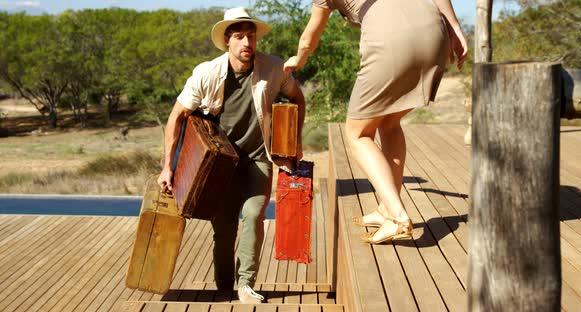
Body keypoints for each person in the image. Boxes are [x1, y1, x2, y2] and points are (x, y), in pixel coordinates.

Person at [283, 0, 468, 244]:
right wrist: (454, 27)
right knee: (389, 122)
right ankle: (386, 208)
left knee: (357, 134)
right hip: (434, 34)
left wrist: (298, 59)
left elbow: (309, 38)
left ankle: (398, 216)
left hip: (392, 41)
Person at [157, 7, 305, 303]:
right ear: (227, 41)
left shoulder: (273, 67)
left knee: (253, 215)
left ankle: (246, 284)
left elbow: (296, 98)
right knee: (224, 228)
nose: (247, 43)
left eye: (251, 36)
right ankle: (225, 287)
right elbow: (177, 117)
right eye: (239, 37)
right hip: (220, 164)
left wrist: (293, 145)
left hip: (258, 158)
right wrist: (167, 168)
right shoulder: (206, 73)